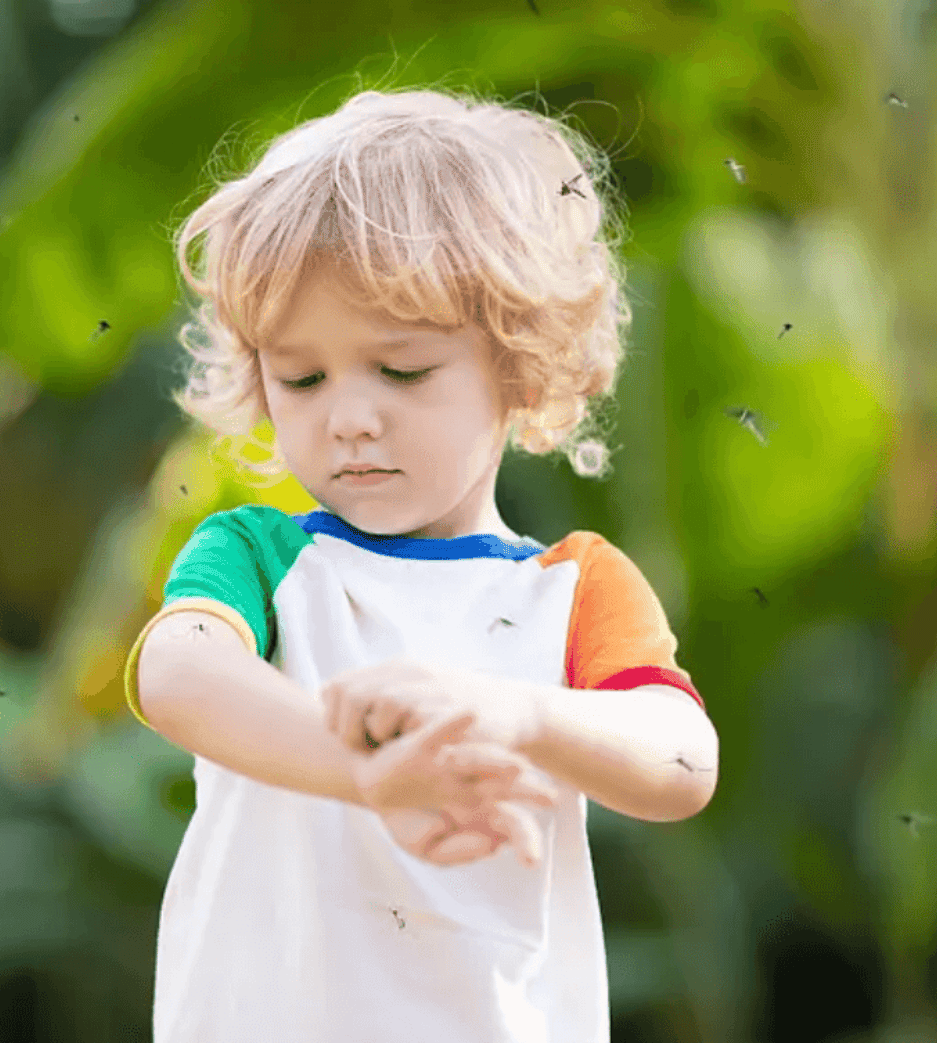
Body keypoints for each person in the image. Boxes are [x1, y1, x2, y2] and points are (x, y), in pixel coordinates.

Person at [122, 85, 715, 1043]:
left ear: (522, 365)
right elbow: (178, 673)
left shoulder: (572, 588)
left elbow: (682, 761)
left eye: (402, 370)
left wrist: (516, 713)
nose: (349, 415)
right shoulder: (260, 558)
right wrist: (367, 771)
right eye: (302, 376)